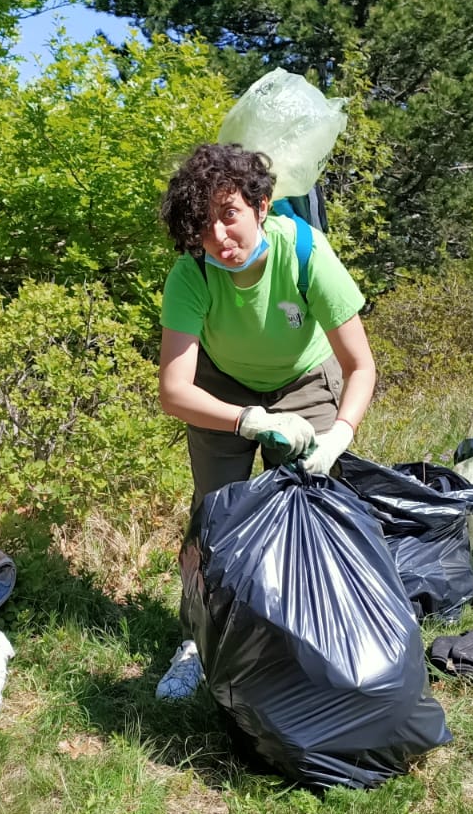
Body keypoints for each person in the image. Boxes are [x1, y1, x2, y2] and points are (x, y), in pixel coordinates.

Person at [154, 143, 377, 698]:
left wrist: (339, 436)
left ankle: (312, 635)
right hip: (223, 387)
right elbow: (174, 390)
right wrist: (248, 420)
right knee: (215, 514)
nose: (220, 239)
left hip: (304, 380)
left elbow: (360, 366)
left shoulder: (304, 252)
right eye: (203, 227)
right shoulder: (191, 275)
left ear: (261, 205)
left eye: (229, 215)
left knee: (312, 507)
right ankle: (197, 642)